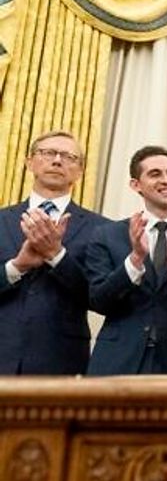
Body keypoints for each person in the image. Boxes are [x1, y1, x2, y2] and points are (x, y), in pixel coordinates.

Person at [85, 146, 167, 374]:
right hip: (118, 360)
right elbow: (98, 301)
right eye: (155, 174)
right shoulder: (107, 235)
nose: (166, 180)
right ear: (136, 185)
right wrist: (135, 260)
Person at [0, 130, 109, 374]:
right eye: (48, 153)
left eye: (69, 157)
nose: (57, 160)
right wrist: (17, 266)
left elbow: (101, 297)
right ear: (29, 162)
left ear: (80, 172)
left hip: (60, 359)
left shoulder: (102, 229)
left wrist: (57, 256)